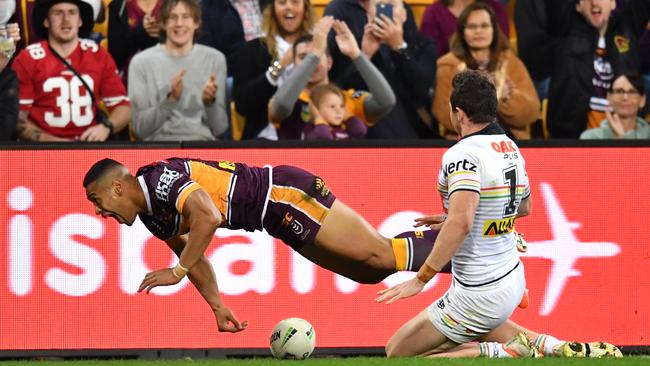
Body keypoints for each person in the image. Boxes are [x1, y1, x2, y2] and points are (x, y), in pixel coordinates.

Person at [375, 70, 622, 359]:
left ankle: (501, 353)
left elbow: (462, 223)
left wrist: (421, 278)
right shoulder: (510, 147)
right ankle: (551, 346)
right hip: (511, 279)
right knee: (481, 323)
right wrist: (453, 217)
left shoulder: (462, 154)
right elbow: (523, 207)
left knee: (397, 353)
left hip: (478, 292)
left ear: (459, 113)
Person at [12, 0, 131, 141]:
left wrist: (106, 127)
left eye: (72, 12)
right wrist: (53, 143)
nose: (66, 19)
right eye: (58, 13)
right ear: (46, 21)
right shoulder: (27, 58)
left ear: (80, 20)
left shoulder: (98, 54)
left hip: (89, 148)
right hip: (43, 152)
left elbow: (123, 107)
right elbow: (17, 118)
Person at [324, 0, 439, 139]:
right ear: (368, 15)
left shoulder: (423, 46)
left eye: (390, 5)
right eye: (378, 7)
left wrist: (398, 46)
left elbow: (421, 91)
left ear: (404, 14)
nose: (384, 12)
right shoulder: (352, 47)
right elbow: (341, 90)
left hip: (415, 130)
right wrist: (364, 56)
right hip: (367, 130)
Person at [269, 17, 395, 139]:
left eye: (317, 57)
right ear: (295, 65)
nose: (311, 62)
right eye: (303, 57)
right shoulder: (288, 100)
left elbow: (386, 102)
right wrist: (315, 54)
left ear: (329, 63)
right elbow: (280, 106)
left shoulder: (347, 100)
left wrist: (356, 55)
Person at [432, 2, 540, 140]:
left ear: (494, 29)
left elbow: (531, 111)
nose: (478, 31)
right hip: (464, 142)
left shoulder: (511, 62)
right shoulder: (448, 65)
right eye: (472, 26)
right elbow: (443, 113)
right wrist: (496, 97)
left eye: (484, 26)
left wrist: (508, 100)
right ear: (462, 31)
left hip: (509, 139)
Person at [128, 0, 228, 141]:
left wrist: (209, 103)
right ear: (163, 23)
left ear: (197, 23)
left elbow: (219, 128)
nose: (179, 23)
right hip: (158, 149)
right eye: (172, 17)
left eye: (186, 17)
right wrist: (170, 101)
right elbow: (140, 129)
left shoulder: (215, 59)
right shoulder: (141, 63)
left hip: (202, 148)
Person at [231, 0, 315, 139]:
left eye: (295, 2)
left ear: (305, 9)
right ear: (272, 10)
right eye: (282, 2)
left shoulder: (318, 49)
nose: (288, 6)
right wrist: (279, 67)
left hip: (314, 138)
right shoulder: (253, 50)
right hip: (265, 141)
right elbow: (242, 104)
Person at [419, 0, 509, 57]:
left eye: (484, 26)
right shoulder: (433, 13)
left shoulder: (496, 8)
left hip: (493, 74)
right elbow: (430, 58)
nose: (478, 31)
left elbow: (503, 49)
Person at [580, 73, 649, 138]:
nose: (625, 97)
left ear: (642, 100)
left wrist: (623, 138)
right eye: (619, 91)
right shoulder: (591, 137)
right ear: (608, 97)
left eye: (632, 92)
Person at [107, 0, 161, 80]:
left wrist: (165, 32)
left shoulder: (174, 3)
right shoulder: (119, 6)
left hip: (167, 79)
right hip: (130, 81)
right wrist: (140, 30)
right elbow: (115, 56)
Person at [303, 83, 368, 140]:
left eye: (341, 106)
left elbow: (360, 130)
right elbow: (325, 139)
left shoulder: (343, 128)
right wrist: (318, 118)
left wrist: (348, 117)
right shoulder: (313, 130)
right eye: (332, 106)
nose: (338, 111)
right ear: (316, 109)